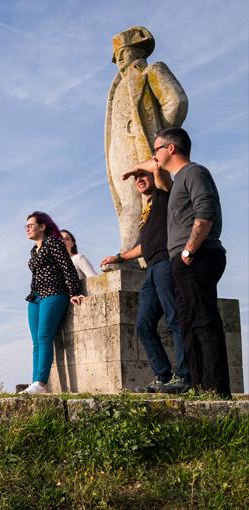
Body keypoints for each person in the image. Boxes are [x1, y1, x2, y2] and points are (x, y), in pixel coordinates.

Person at [129, 127, 230, 398]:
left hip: (197, 256)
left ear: (170, 148)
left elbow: (205, 211)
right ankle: (198, 385)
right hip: (183, 261)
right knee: (189, 323)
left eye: (156, 149)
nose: (154, 156)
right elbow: (158, 172)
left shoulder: (195, 172)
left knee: (203, 321)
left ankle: (217, 390)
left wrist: (188, 251)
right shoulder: (176, 182)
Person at [100, 164, 189, 394]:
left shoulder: (164, 195)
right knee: (143, 324)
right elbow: (142, 246)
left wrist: (135, 168)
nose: (138, 179)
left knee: (174, 318)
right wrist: (118, 257)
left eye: (142, 176)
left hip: (166, 263)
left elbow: (159, 167)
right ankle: (163, 376)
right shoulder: (147, 210)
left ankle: (184, 376)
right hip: (150, 268)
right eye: (136, 178)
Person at [105, 26, 188, 254]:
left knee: (151, 197)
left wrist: (159, 133)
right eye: (116, 56)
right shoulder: (116, 86)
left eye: (123, 52)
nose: (119, 59)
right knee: (127, 203)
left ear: (136, 50)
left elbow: (176, 102)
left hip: (141, 143)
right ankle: (129, 249)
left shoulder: (151, 71)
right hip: (119, 149)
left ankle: (146, 249)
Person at [22, 212, 84, 394]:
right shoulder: (34, 250)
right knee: (35, 342)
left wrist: (74, 292)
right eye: (26, 226)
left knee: (44, 337)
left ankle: (41, 382)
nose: (27, 229)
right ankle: (35, 382)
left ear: (43, 226)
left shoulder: (53, 242)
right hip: (36, 296)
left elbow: (67, 267)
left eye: (31, 225)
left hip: (54, 293)